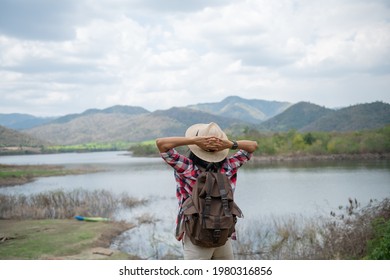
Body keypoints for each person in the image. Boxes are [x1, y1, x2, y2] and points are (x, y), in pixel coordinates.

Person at [156, 122, 258, 260]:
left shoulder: (187, 168)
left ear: (196, 148)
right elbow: (252, 146)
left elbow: (162, 144)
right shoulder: (228, 167)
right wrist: (229, 144)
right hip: (223, 233)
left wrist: (193, 141)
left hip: (195, 235)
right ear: (221, 148)